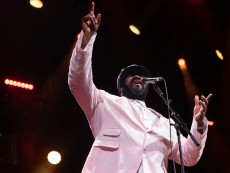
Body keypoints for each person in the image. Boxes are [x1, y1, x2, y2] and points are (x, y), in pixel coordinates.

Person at [68, 2, 212, 173]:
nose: (137, 77)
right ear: (121, 86)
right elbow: (78, 81)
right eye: (131, 75)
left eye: (141, 75)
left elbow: (188, 156)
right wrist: (86, 40)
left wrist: (199, 123)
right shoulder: (103, 103)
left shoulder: (166, 123)